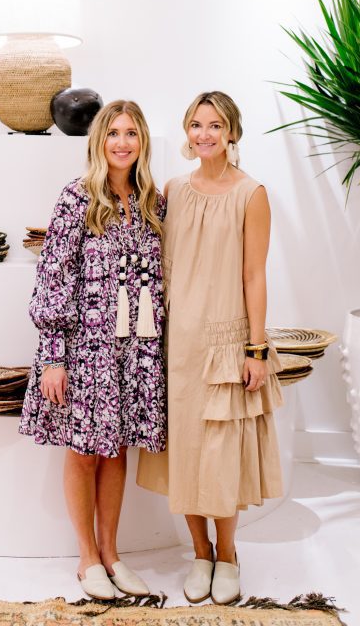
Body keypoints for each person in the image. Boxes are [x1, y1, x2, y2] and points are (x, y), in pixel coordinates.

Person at [137, 91, 283, 605]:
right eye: (197, 125)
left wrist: (256, 349)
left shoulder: (251, 193)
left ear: (232, 133)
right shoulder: (174, 190)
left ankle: (229, 555)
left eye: (215, 125)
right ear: (187, 131)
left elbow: (254, 276)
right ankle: (200, 552)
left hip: (225, 340)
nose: (205, 134)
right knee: (185, 453)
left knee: (220, 458)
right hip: (177, 342)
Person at [19, 100, 166, 601]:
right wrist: (54, 355)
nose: (122, 143)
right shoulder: (75, 198)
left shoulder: (154, 202)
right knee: (84, 450)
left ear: (142, 141)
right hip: (86, 349)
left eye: (131, 133)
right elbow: (54, 276)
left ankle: (112, 553)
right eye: (113, 133)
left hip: (135, 350)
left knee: (116, 448)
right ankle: (87, 558)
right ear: (98, 141)